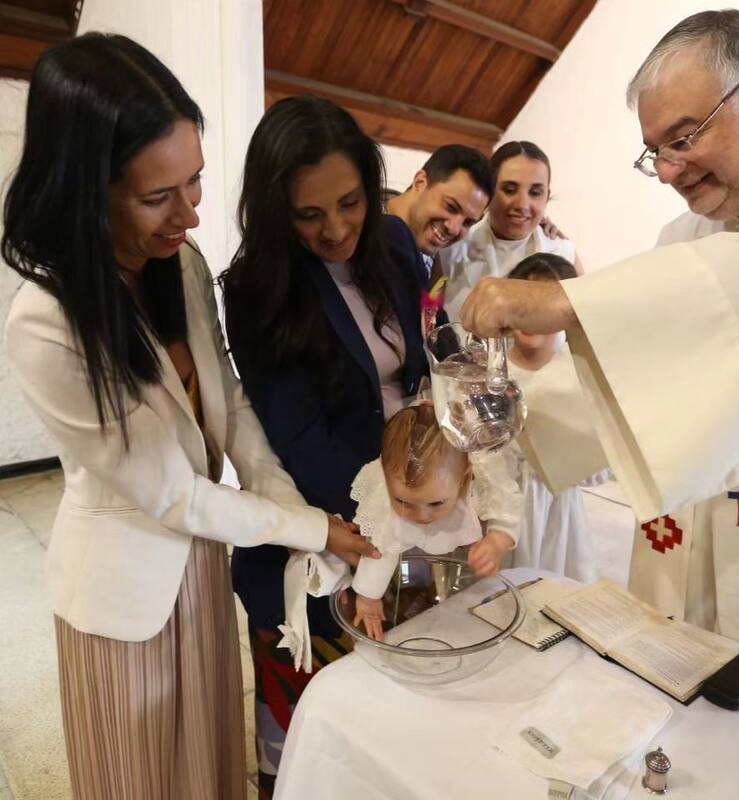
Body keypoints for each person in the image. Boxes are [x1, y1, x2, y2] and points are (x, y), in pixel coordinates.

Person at [1, 35, 372, 800]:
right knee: (140, 777)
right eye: (157, 196)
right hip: (125, 590)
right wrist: (314, 529)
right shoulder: (46, 322)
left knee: (207, 763)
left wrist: (297, 506)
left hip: (198, 569)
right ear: (85, 190)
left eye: (196, 182)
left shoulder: (181, 265)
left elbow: (228, 406)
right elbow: (173, 494)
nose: (190, 216)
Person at [460, 10, 739, 663]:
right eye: (657, 152)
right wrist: (500, 424)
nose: (670, 171)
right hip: (691, 548)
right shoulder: (686, 239)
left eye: (686, 137)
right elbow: (634, 363)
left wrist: (562, 299)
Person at [220, 96, 433, 792]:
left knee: (401, 723)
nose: (336, 228)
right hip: (328, 523)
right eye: (309, 215)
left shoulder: (396, 245)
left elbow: (419, 369)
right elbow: (298, 435)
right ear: (276, 208)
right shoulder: (260, 286)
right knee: (317, 735)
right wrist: (393, 513)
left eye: (349, 203)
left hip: (408, 506)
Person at [350, 404, 518, 640]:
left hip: (468, 564)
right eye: (403, 501)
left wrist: (497, 541)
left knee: (475, 609)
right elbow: (382, 547)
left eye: (435, 503)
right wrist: (368, 597)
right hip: (414, 574)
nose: (421, 516)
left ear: (464, 478)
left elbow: (507, 510)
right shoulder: (388, 498)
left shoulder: (480, 478)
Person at [504, 253, 604, 581]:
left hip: (556, 509)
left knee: (553, 585)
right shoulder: (490, 370)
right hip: (499, 509)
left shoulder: (577, 373)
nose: (531, 318)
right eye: (523, 303)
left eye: (542, 309)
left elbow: (601, 458)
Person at [441, 140, 582, 320]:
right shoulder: (452, 249)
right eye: (509, 190)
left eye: (535, 193)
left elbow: (582, 328)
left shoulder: (563, 253)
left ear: (547, 197)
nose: (522, 205)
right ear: (489, 192)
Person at [386, 144, 495, 276]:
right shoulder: (360, 228)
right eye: (451, 207)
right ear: (420, 183)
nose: (454, 229)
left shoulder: (434, 265)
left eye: (467, 223)